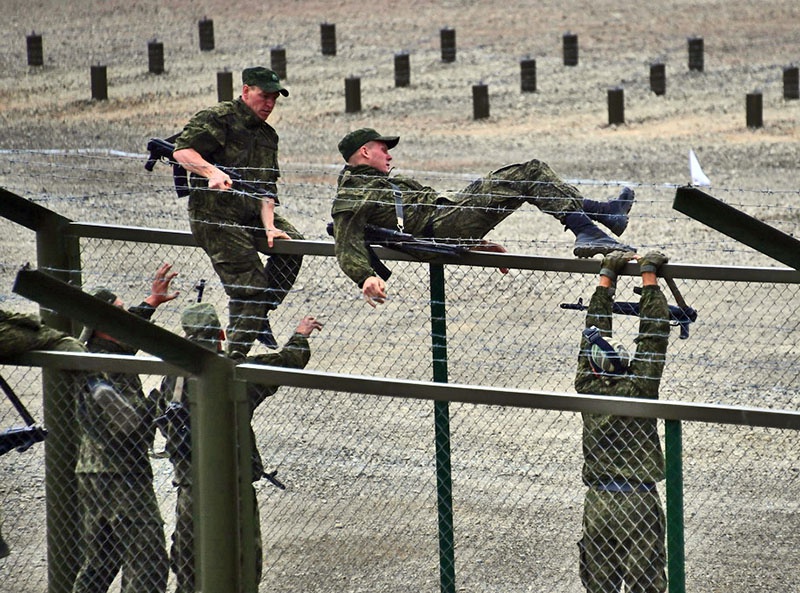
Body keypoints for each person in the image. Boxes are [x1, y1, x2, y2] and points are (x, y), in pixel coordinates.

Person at [331, 127, 636, 307]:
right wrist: (366, 277)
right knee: (527, 173)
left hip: (447, 215)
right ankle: (594, 224)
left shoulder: (374, 184)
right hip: (441, 224)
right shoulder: (354, 194)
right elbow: (346, 243)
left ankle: (601, 215)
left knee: (524, 177)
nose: (390, 155)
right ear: (365, 153)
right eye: (384, 150)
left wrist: (476, 243)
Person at [155, 302, 322, 593]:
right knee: (243, 559)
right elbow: (286, 361)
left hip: (190, 487)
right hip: (233, 486)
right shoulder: (234, 372)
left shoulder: (173, 379)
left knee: (188, 561)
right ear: (220, 333)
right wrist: (300, 335)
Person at [172, 66, 303, 358]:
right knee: (250, 288)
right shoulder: (220, 119)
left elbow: (267, 189)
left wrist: (269, 226)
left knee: (292, 246)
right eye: (264, 96)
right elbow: (182, 151)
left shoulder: (268, 136)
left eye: (274, 99)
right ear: (246, 91)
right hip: (215, 215)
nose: (269, 104)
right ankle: (233, 361)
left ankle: (258, 316)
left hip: (251, 212)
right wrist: (211, 172)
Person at [71, 263, 179, 593]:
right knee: (147, 562)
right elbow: (129, 423)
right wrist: (164, 395)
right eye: (119, 313)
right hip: (121, 475)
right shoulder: (103, 365)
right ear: (103, 325)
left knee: (101, 562)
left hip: (93, 472)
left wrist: (151, 302)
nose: (127, 318)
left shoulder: (97, 352)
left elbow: (124, 338)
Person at [573, 249, 671, 593]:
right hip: (638, 500)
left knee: (599, 584)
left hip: (598, 501)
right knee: (647, 583)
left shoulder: (587, 388)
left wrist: (606, 276)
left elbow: (593, 335)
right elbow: (654, 334)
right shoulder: (640, 387)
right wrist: (648, 275)